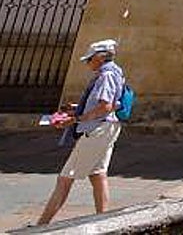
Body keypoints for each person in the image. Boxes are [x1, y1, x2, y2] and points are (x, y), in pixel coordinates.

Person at [37, 39, 126, 225]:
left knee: (65, 178)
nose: (87, 63)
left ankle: (41, 225)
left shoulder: (106, 76)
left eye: (90, 59)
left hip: (96, 130)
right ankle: (104, 221)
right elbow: (109, 103)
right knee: (98, 174)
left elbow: (105, 106)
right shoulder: (115, 73)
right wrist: (77, 108)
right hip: (107, 127)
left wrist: (76, 119)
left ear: (100, 58)